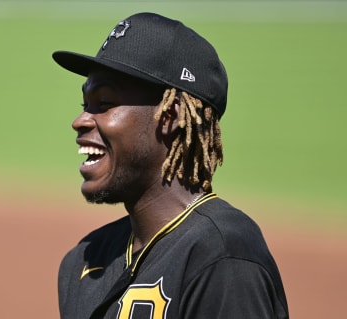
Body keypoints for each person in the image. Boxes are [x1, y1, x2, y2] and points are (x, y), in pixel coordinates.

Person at [52, 12, 288, 319]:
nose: (80, 120)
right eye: (85, 105)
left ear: (172, 116)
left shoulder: (222, 257)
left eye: (105, 103)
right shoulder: (85, 260)